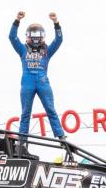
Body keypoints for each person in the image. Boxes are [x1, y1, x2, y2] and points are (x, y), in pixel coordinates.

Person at [9, 11, 67, 143]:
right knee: (25, 113)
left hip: (42, 81)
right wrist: (17, 20)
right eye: (32, 34)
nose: (35, 37)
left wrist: (56, 22)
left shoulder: (47, 51)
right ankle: (22, 141)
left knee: (50, 109)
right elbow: (12, 37)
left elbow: (59, 40)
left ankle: (61, 136)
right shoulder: (22, 49)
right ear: (28, 36)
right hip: (27, 82)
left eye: (38, 34)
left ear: (42, 36)